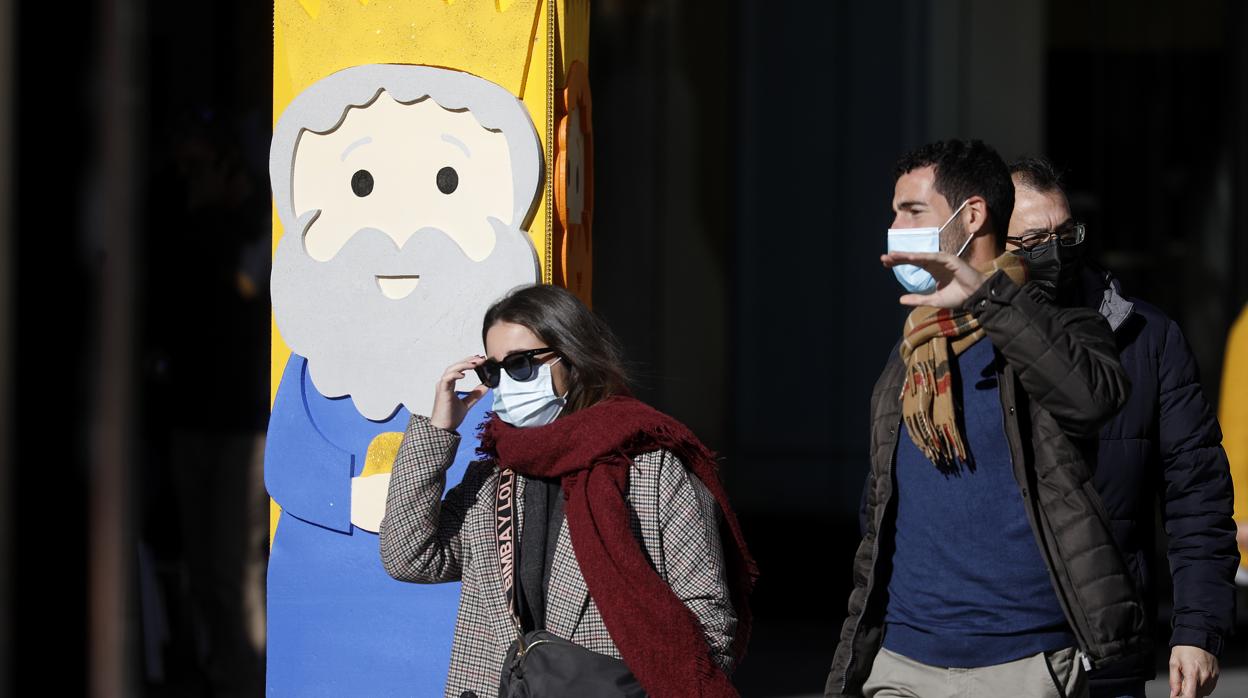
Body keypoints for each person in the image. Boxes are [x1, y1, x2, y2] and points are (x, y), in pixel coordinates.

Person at [825, 140, 1148, 698]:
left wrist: (987, 299)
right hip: (904, 660)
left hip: (1020, 663)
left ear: (970, 215)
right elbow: (877, 519)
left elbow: (1093, 399)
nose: (895, 225)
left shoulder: (1065, 327)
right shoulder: (911, 350)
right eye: (895, 211)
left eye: (912, 210)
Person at [379, 283, 757, 698]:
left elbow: (707, 612)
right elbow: (409, 557)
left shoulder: (650, 467)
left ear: (572, 357)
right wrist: (438, 432)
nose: (507, 380)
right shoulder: (493, 476)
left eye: (521, 364)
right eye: (494, 369)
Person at [1006, 157, 1238, 698]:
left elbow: (1197, 493)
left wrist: (1199, 629)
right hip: (995, 647)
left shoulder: (1147, 340)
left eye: (1066, 233)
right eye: (1034, 240)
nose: (1056, 253)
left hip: (1104, 649)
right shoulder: (961, 344)